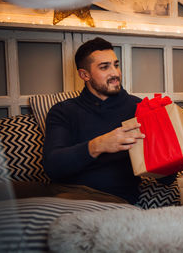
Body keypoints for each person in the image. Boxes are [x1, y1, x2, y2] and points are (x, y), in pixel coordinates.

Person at [43, 37, 145, 204]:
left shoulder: (139, 108)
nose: (115, 73)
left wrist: (182, 153)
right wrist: (99, 145)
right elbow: (53, 166)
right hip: (65, 196)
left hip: (114, 200)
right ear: (84, 74)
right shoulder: (63, 111)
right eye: (105, 67)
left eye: (116, 65)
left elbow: (164, 178)